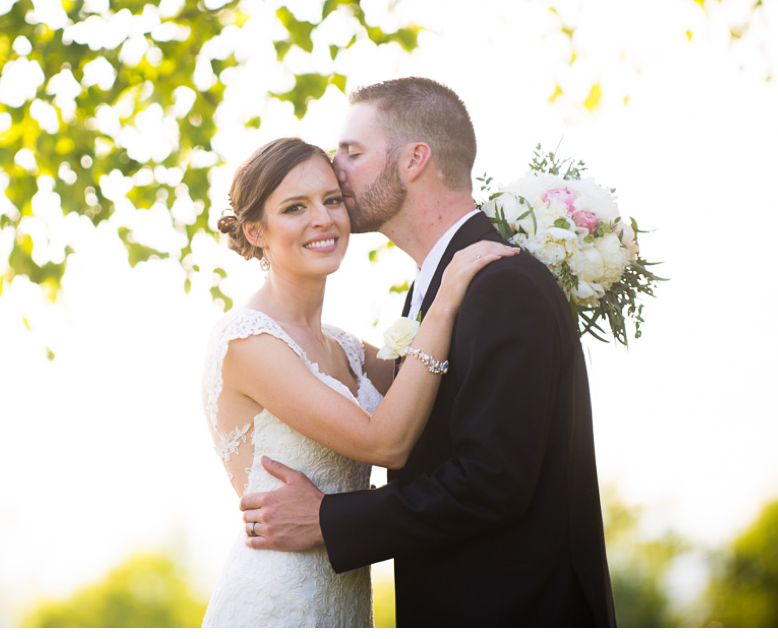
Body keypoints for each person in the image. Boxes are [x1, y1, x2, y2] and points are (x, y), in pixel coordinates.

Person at [239, 78, 617, 626]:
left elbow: (492, 480)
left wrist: (330, 520)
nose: (335, 168)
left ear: (415, 159)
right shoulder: (437, 287)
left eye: (353, 152)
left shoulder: (500, 284)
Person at [201, 136, 517, 627]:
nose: (323, 219)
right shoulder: (248, 341)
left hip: (345, 600)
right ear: (256, 231)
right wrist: (447, 294)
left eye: (332, 200)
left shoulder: (343, 346)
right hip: (277, 605)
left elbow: (442, 380)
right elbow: (384, 441)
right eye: (294, 208)